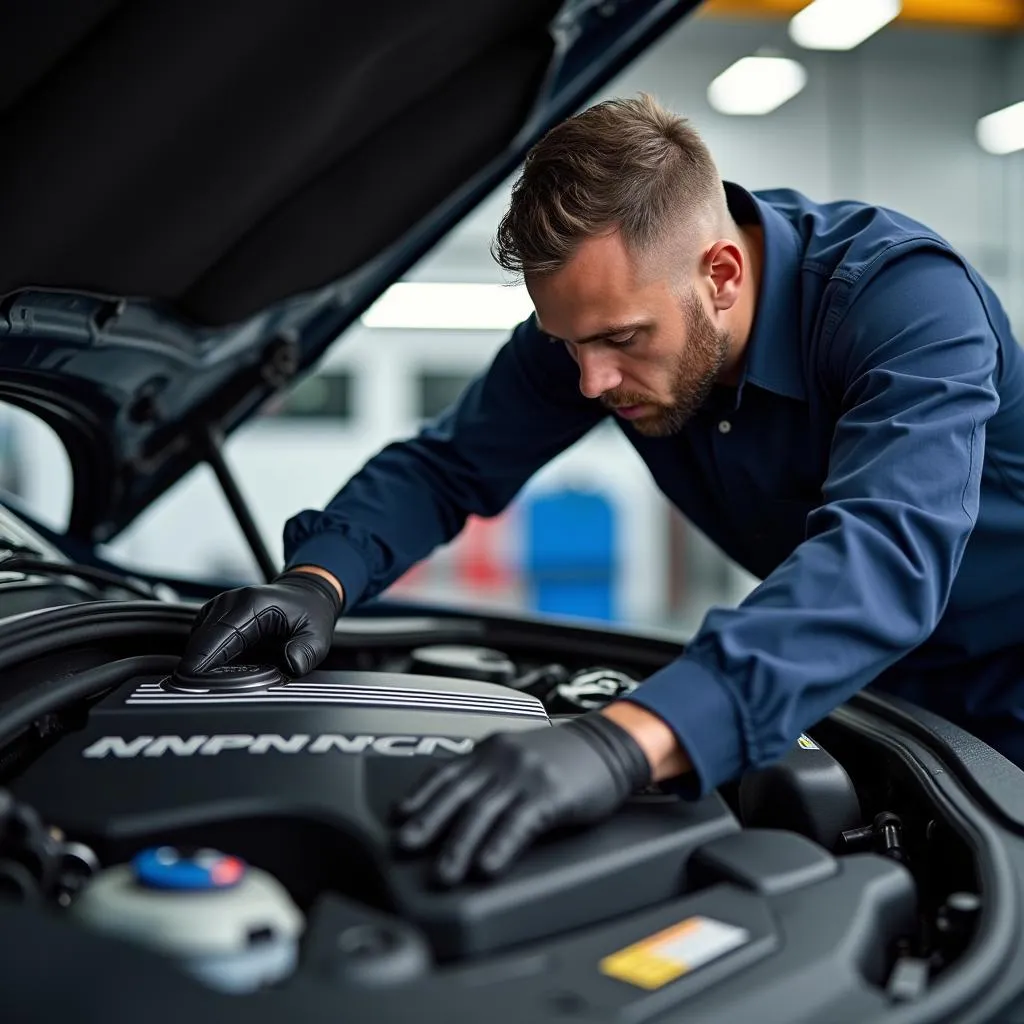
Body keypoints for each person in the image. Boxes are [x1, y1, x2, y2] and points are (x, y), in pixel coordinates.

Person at [178, 93, 1024, 888]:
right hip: (859, 689)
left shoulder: (907, 301)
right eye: (568, 342)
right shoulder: (596, 329)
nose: (590, 382)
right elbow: (447, 466)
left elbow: (884, 553)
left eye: (621, 339)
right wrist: (317, 581)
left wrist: (629, 741)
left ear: (722, 273)